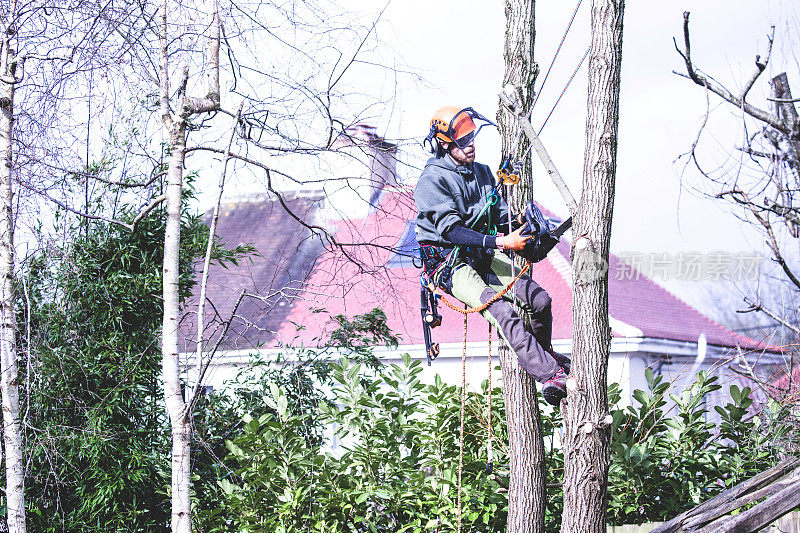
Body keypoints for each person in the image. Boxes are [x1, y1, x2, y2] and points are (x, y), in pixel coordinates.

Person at [414, 105, 569, 406]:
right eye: (462, 141)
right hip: (450, 263)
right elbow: (452, 232)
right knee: (500, 311)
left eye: (472, 137)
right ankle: (550, 375)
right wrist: (501, 243)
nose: (470, 145)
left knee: (540, 301)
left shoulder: (483, 172)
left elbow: (498, 217)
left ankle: (545, 352)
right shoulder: (432, 181)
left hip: (482, 254)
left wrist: (526, 229)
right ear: (444, 144)